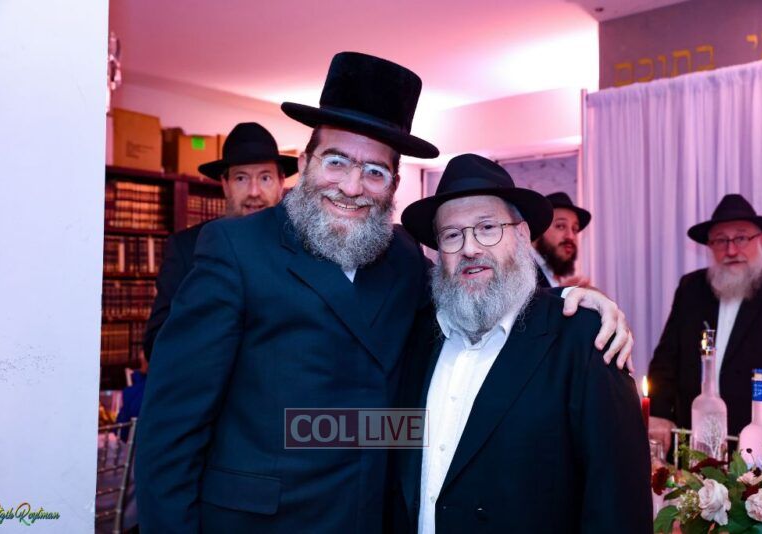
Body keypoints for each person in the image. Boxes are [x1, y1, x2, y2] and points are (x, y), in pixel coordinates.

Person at [135, 52, 634, 533]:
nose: (352, 186)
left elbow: (478, 284)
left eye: (374, 171)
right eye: (336, 161)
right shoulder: (235, 248)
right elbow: (171, 430)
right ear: (305, 162)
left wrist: (575, 304)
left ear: (394, 184)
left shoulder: (400, 257)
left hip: (371, 516)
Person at [390, 154, 652, 534]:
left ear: (522, 236)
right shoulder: (418, 338)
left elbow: (618, 502)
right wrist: (304, 431)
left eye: (487, 228)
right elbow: (391, 444)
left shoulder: (583, 339)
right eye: (452, 235)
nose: (470, 248)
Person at [142, 122, 297, 360]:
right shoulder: (186, 248)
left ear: (281, 182)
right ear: (225, 185)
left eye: (265, 178)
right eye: (241, 178)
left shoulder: (301, 247)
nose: (254, 191)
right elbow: (156, 343)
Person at [648, 194, 762, 454]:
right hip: (697, 441)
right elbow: (666, 359)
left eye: (741, 238)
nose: (731, 250)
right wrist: (659, 412)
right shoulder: (692, 288)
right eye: (721, 240)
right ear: (710, 246)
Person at [532, 191, 591, 288]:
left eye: (575, 229)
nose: (571, 236)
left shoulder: (551, 274)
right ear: (538, 228)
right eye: (560, 226)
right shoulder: (520, 270)